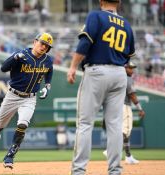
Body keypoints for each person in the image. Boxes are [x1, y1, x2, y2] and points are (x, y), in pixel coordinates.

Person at [67, 0, 136, 174]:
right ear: (118, 2)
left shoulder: (96, 15)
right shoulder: (126, 24)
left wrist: (73, 66)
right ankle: (115, 170)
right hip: (120, 73)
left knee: (84, 123)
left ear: (100, 1)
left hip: (97, 71)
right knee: (114, 126)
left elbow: (85, 43)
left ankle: (79, 171)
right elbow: (129, 55)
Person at [0, 32, 54, 169]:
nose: (44, 47)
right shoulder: (22, 54)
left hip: (30, 98)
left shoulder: (47, 60)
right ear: (35, 42)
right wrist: (15, 58)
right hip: (12, 95)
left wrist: (47, 86)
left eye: (47, 46)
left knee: (23, 124)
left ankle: (10, 156)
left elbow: (49, 71)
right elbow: (4, 68)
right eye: (42, 43)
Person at [102, 62, 145, 164]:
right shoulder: (127, 78)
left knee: (123, 131)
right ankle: (110, 151)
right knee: (126, 130)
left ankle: (128, 156)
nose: (132, 70)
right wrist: (140, 109)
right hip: (124, 106)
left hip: (115, 105)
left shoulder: (115, 77)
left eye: (132, 68)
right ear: (124, 68)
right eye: (130, 68)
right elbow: (132, 95)